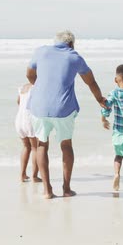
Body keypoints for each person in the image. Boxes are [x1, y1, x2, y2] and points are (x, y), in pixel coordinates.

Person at [26, 30, 107, 199]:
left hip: (39, 107)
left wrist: (41, 88)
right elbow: (90, 81)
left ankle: (47, 190)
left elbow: (29, 75)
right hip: (63, 109)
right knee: (66, 145)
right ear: (71, 44)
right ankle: (66, 188)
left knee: (42, 144)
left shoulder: (40, 51)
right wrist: (100, 99)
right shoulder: (74, 57)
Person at [15, 82, 42, 183]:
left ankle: (22, 174)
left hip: (19, 119)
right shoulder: (37, 87)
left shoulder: (22, 87)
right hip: (29, 119)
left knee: (26, 146)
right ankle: (34, 176)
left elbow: (18, 102)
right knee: (35, 148)